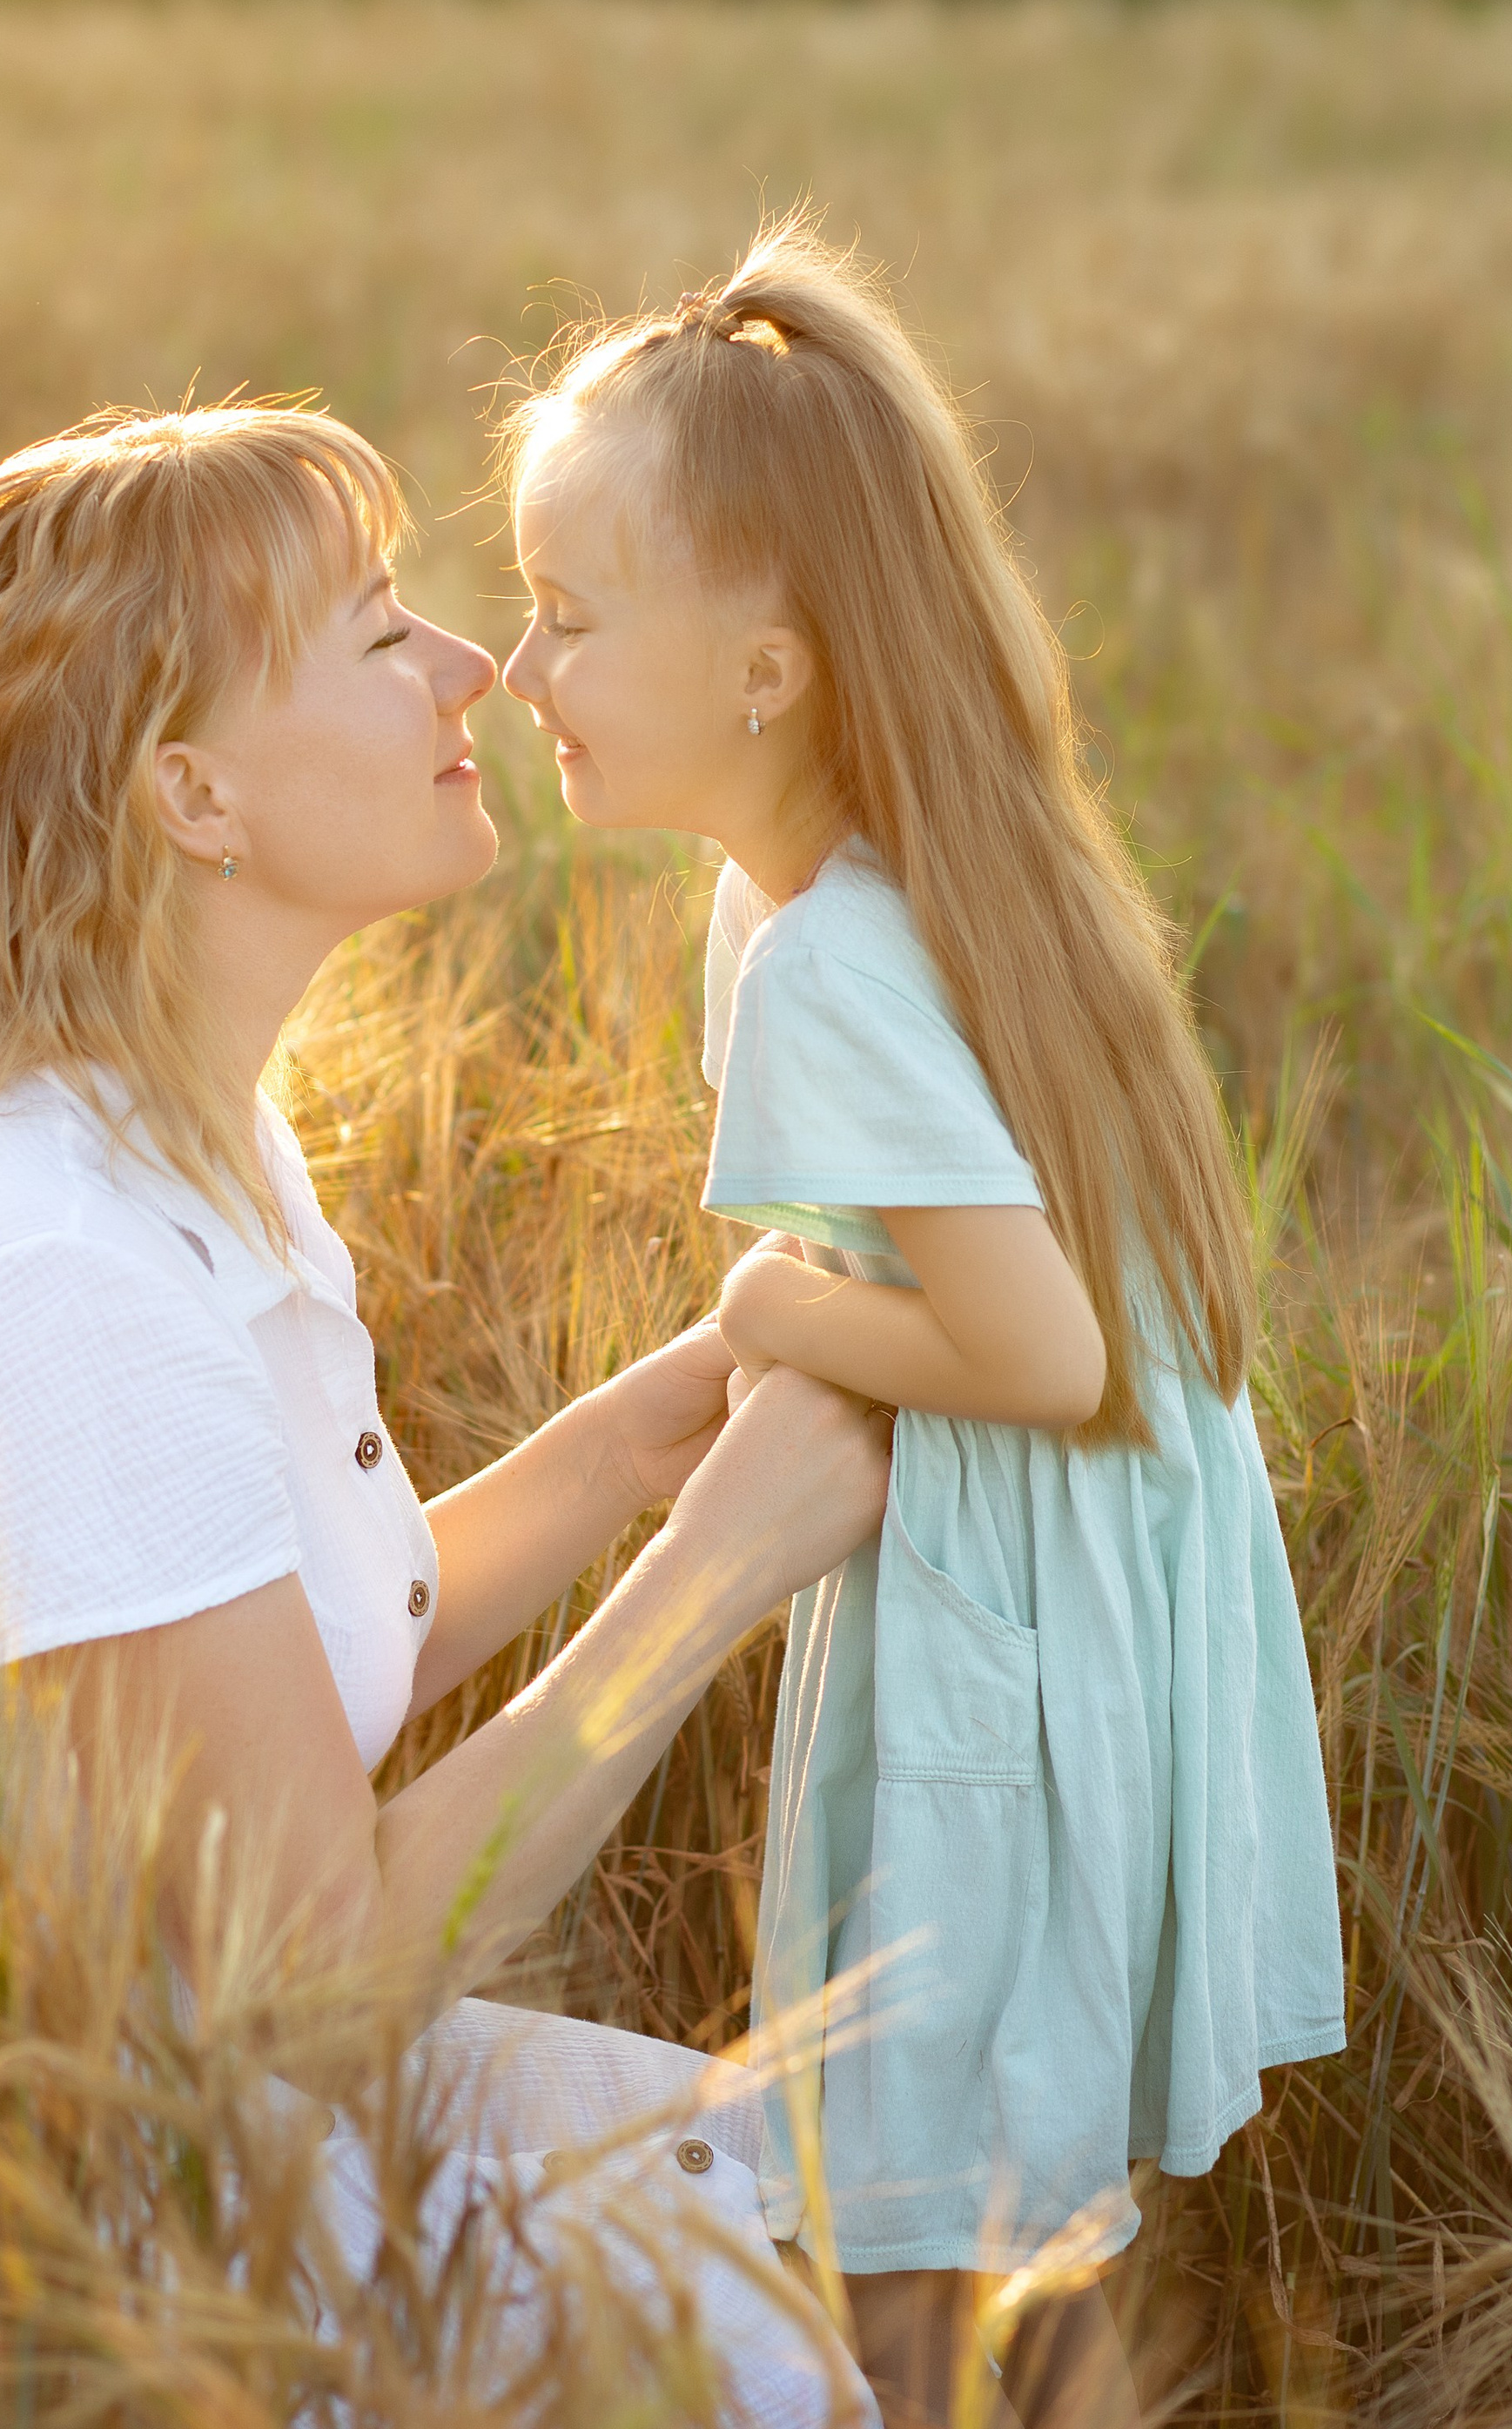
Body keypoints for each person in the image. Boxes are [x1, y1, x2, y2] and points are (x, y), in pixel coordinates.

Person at [0, 402, 891, 2424]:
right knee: (750, 2338)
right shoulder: (47, 1276)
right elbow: (314, 1976)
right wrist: (714, 1571)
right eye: (377, 633)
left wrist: (625, 1456)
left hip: (106, 2075)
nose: (467, 667)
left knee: (819, 2192)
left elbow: (248, 1680)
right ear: (191, 792)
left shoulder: (159, 1137)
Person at [501, 227, 1347, 2429]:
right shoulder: (880, 874)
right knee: (987, 2201)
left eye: (566, 615)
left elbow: (1043, 1355)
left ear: (765, 671)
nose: (514, 666)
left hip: (1005, 1627)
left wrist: (766, 1299)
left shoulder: (828, 956)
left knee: (916, 2213)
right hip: (1056, 1588)